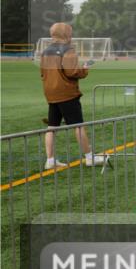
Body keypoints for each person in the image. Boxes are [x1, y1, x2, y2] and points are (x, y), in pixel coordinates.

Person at [40, 23, 106, 167]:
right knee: (78, 126)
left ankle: (50, 160)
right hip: (66, 93)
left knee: (52, 126)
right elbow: (72, 72)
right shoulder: (68, 50)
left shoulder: (45, 51)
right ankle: (89, 157)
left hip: (51, 92)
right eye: (70, 33)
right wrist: (84, 69)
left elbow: (43, 73)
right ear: (66, 34)